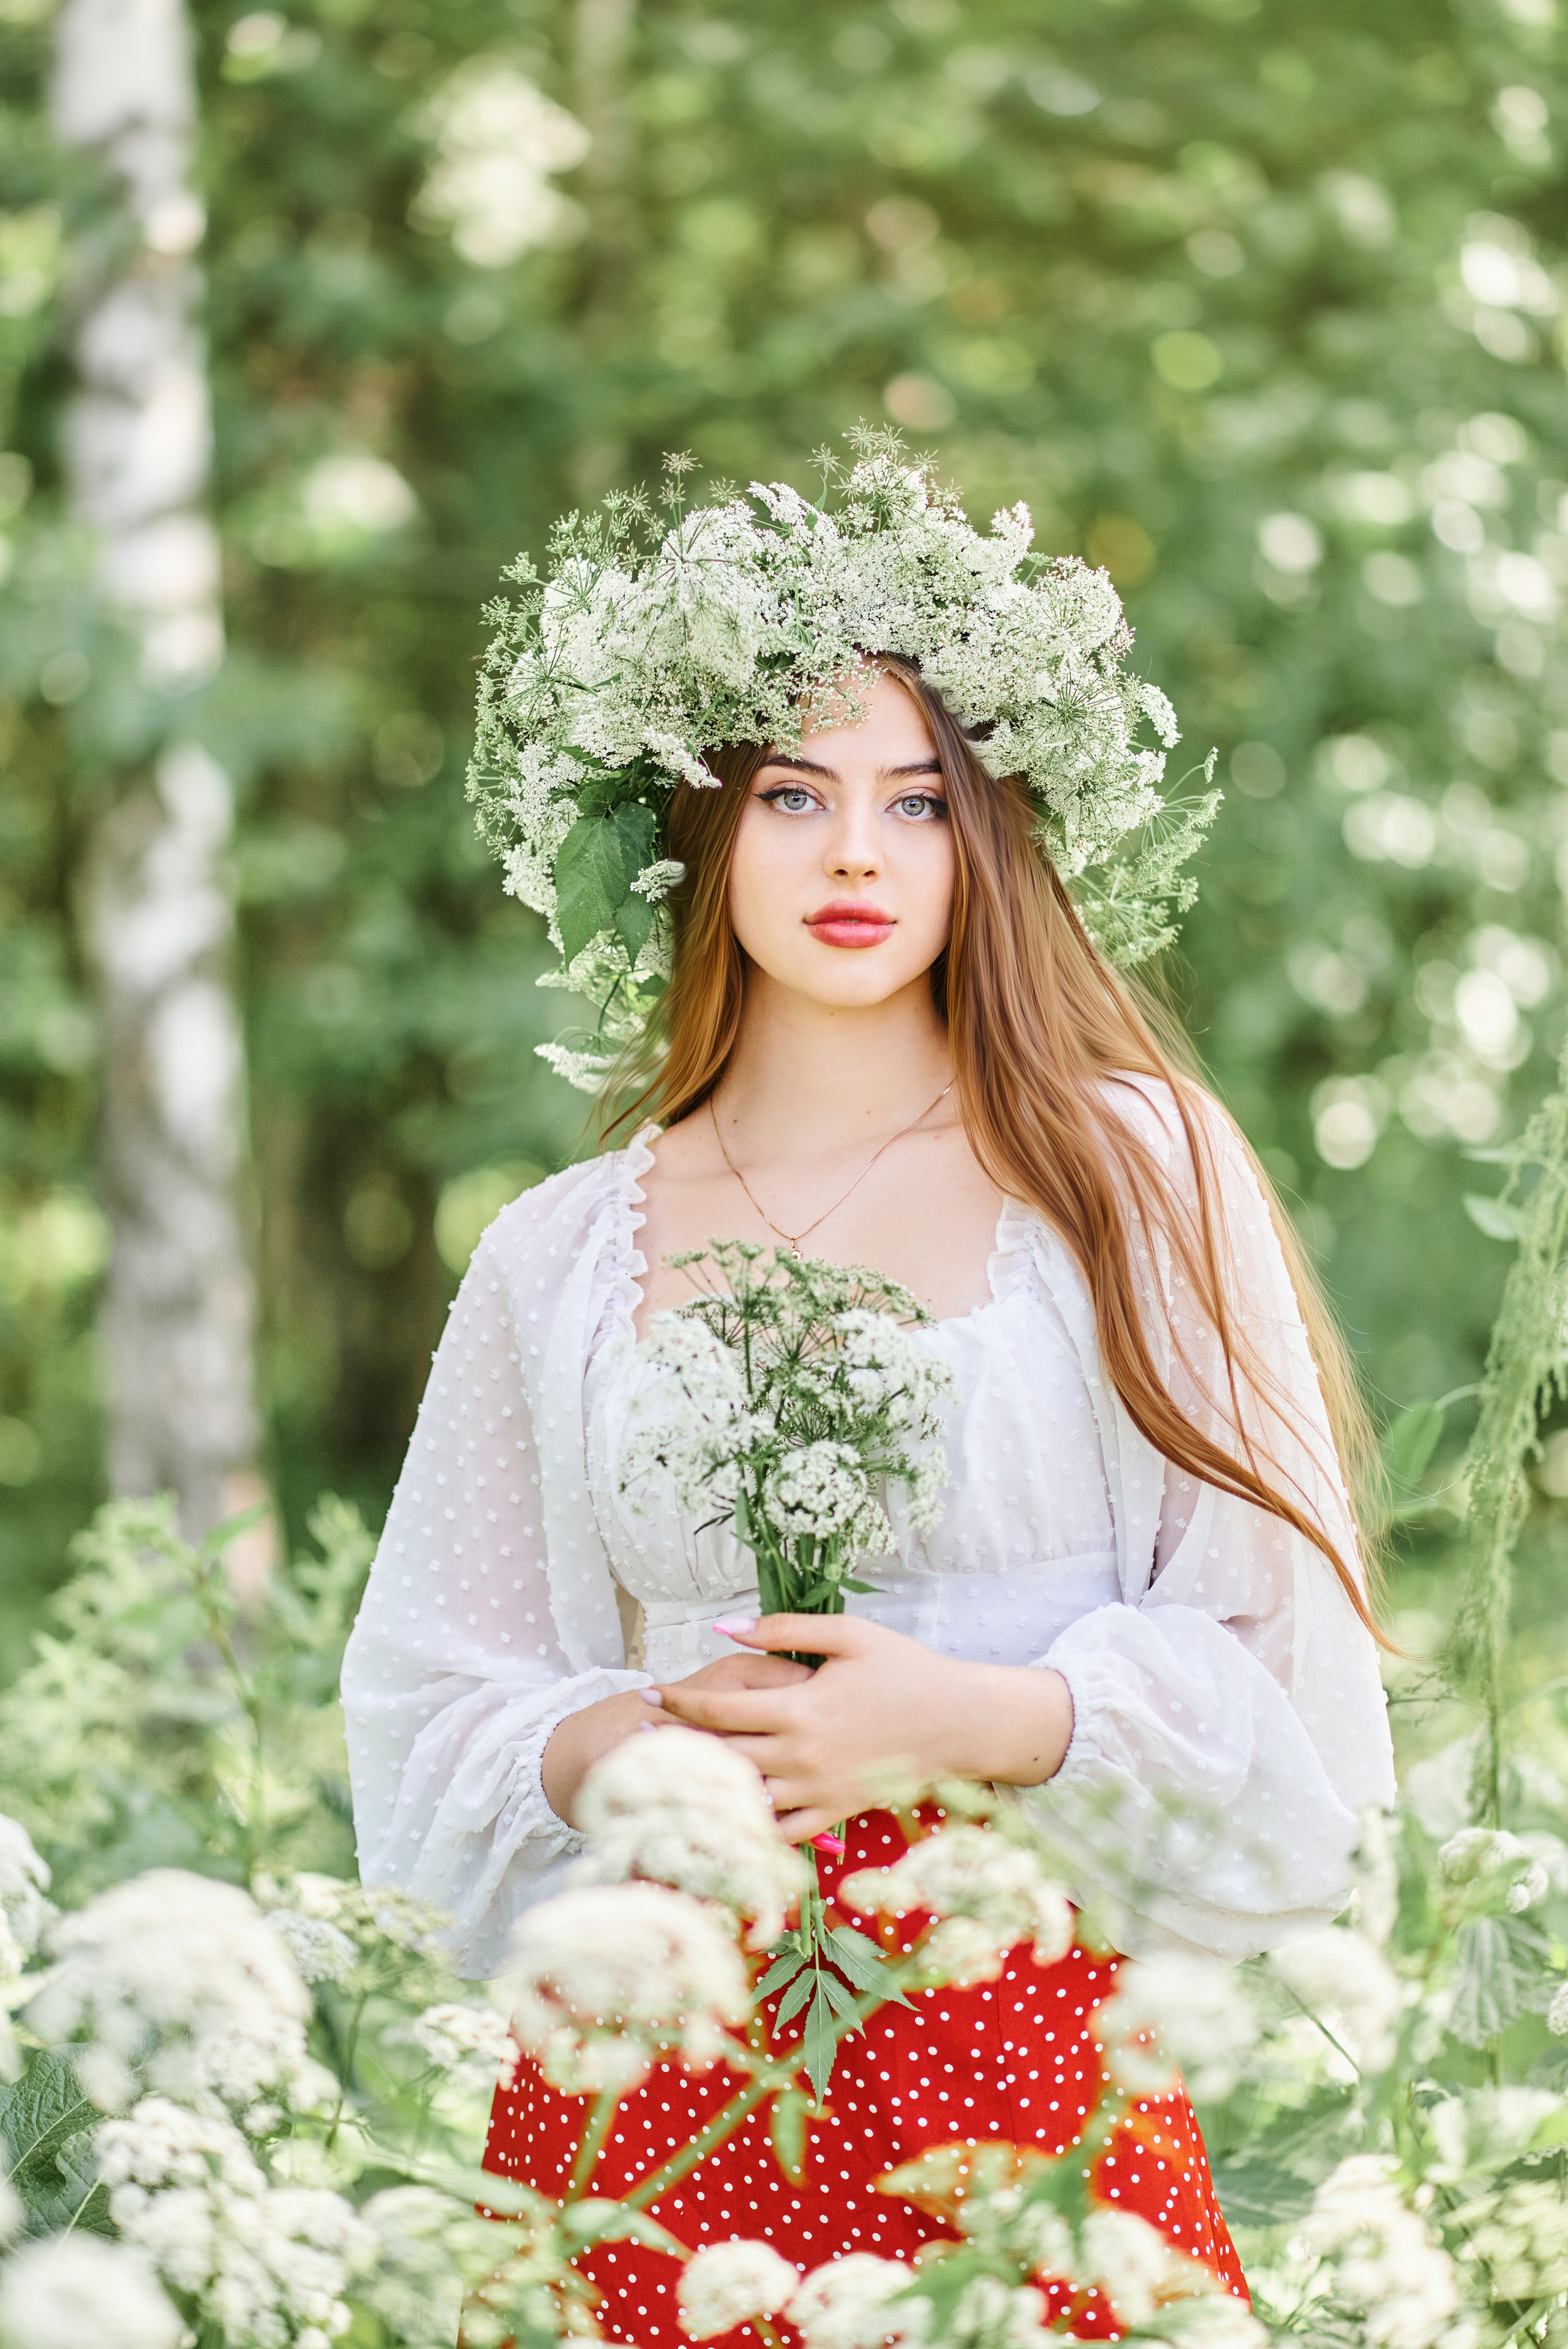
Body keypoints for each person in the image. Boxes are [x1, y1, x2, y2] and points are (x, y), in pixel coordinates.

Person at [341, 447, 1395, 2342]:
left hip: (1010, 2045)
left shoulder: (1128, 1167)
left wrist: (980, 1715)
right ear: (696, 827)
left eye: (918, 801)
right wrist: (628, 1747)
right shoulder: (559, 1251)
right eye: (795, 795)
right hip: (650, 2063)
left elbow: (1275, 1642)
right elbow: (435, 1682)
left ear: (988, 834)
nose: (855, 853)